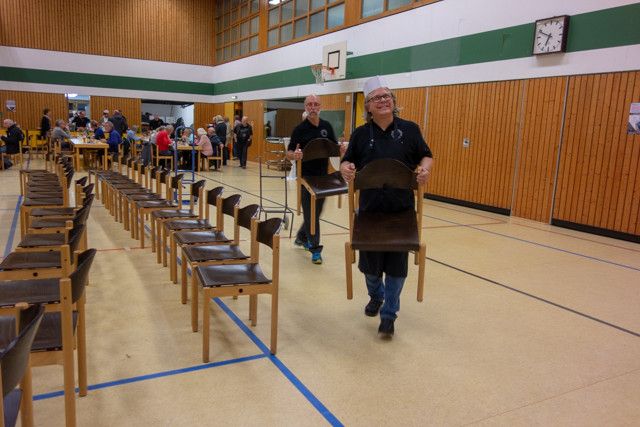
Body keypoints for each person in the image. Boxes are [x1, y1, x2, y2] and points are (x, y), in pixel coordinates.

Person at [340, 76, 433, 338]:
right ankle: (376, 295)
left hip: (401, 213)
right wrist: (346, 168)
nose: (383, 100)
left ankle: (389, 314)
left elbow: (426, 155)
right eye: (376, 98)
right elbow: (346, 161)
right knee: (370, 268)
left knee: (396, 267)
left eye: (386, 96)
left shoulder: (410, 130)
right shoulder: (360, 134)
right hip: (369, 212)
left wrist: (424, 169)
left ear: (393, 101)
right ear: (368, 107)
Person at [287, 94, 339, 265]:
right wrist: (294, 155)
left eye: (316, 104)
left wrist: (342, 149)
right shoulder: (299, 129)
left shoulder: (326, 126)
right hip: (306, 179)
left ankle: (301, 237)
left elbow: (334, 148)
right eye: (309, 104)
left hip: (323, 179)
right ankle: (315, 249)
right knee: (312, 215)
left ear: (320, 106)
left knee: (315, 213)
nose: (313, 107)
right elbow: (289, 153)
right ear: (305, 107)